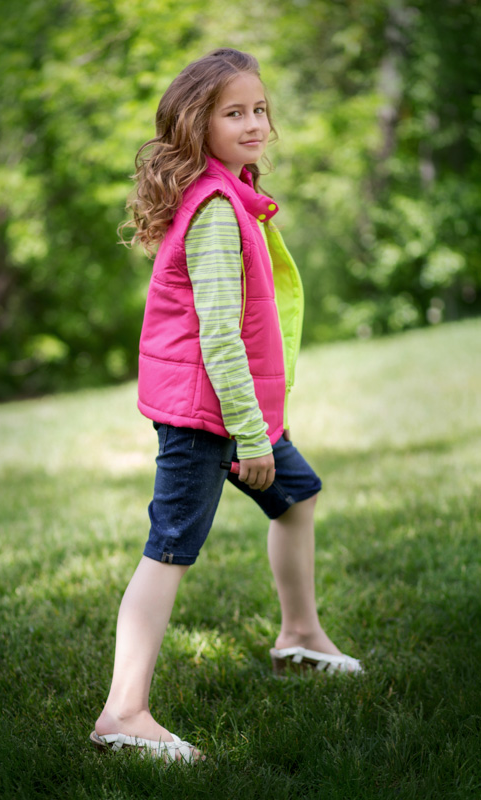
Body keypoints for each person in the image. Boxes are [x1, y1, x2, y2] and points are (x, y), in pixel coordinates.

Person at [90, 48, 362, 764]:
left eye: (259, 109)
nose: (254, 124)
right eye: (233, 113)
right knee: (169, 548)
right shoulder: (214, 211)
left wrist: (257, 428)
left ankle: (299, 636)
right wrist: (251, 434)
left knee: (296, 496)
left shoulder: (230, 193)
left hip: (231, 411)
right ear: (197, 126)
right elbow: (218, 336)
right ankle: (124, 713)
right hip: (206, 415)